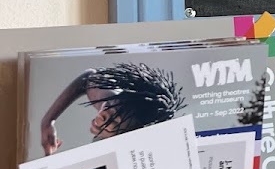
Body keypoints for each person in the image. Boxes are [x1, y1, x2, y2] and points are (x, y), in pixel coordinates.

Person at [40, 62, 186, 154]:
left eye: (114, 121)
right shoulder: (114, 101)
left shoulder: (134, 152)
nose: (101, 115)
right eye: (107, 106)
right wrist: (48, 122)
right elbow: (88, 78)